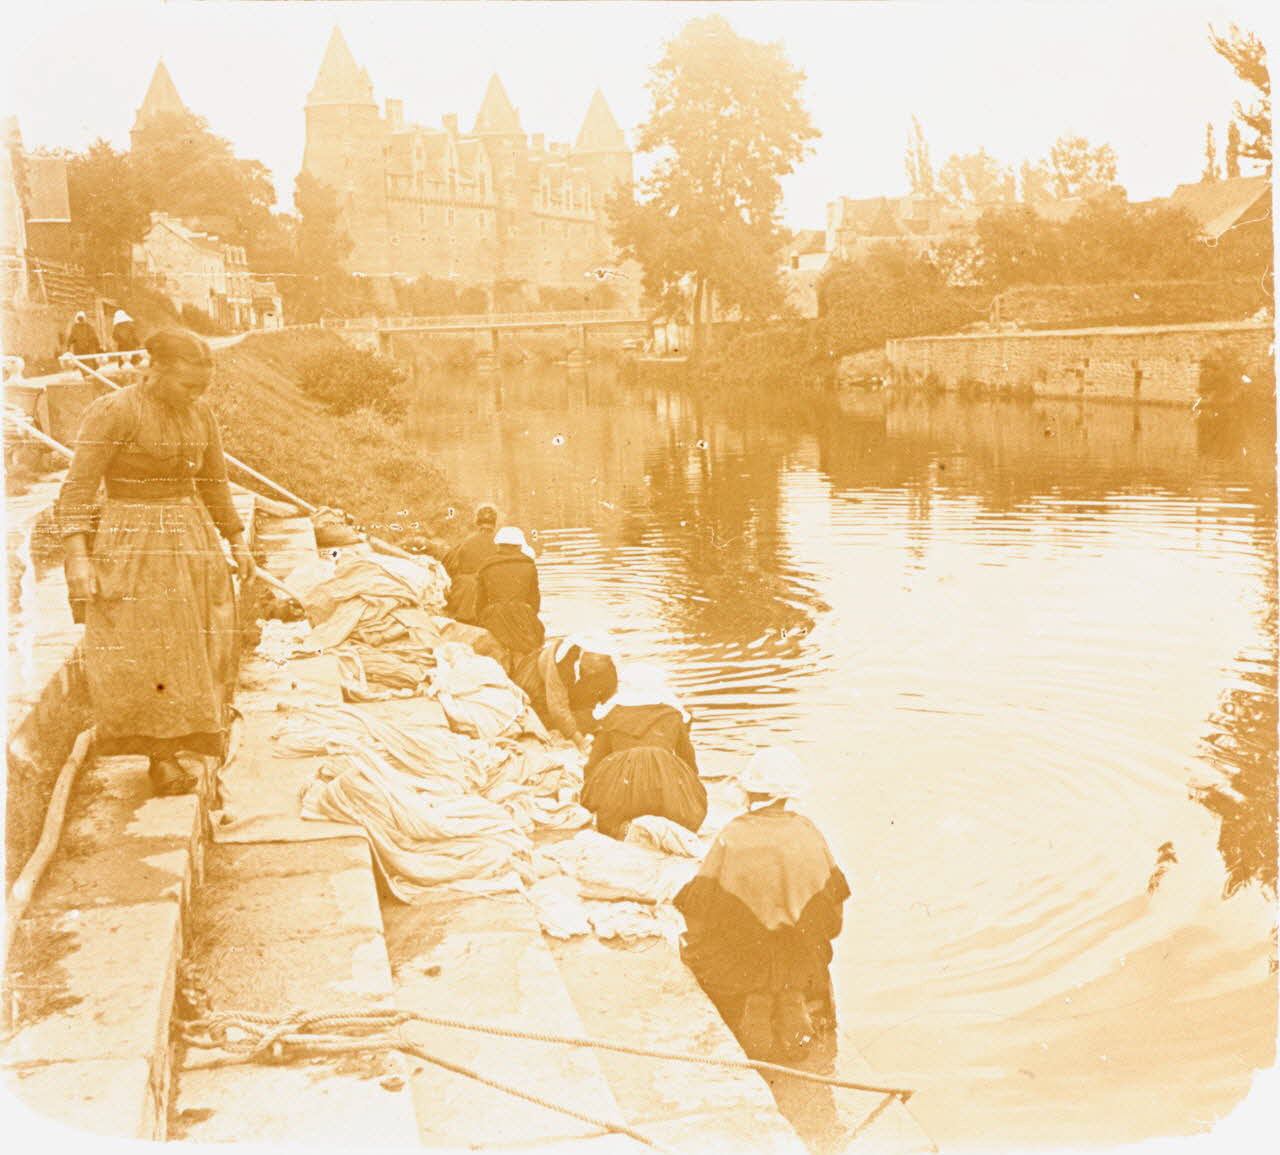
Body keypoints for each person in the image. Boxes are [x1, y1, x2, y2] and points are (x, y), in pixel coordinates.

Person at [56, 329, 256, 797]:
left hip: (190, 535)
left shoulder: (200, 413)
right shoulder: (114, 412)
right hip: (134, 538)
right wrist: (77, 559)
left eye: (201, 388)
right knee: (152, 647)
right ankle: (159, 758)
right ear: (156, 370)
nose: (195, 396)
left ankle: (192, 735)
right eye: (187, 385)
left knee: (201, 638)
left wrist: (237, 541)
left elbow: (215, 481)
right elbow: (78, 489)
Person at [674, 747, 850, 1062]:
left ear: (750, 792)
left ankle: (758, 997)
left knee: (711, 942)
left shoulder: (734, 833)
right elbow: (833, 916)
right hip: (800, 956)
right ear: (789, 794)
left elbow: (698, 905)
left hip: (744, 956)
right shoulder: (809, 831)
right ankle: (789, 995)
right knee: (792, 950)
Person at [580, 663, 706, 837]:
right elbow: (688, 760)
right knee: (681, 821)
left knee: (612, 826)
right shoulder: (672, 714)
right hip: (664, 788)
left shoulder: (612, 715)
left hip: (622, 789)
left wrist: (592, 795)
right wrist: (691, 790)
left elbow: (595, 761)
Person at [511, 634, 619, 751]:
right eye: (589, 667)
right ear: (582, 655)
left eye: (596, 670)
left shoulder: (609, 671)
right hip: (537, 687)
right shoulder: (561, 661)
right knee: (538, 720)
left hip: (572, 689)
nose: (592, 671)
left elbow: (609, 703)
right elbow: (558, 707)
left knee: (590, 719)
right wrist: (580, 742)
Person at [474, 525, 544, 660]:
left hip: (493, 615)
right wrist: (529, 618)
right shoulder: (529, 565)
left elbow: (479, 602)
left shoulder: (486, 566)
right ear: (519, 545)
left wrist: (481, 621)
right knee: (532, 649)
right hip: (522, 615)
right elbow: (535, 601)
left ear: (499, 545)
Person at [442, 503, 500, 623]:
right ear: (495, 523)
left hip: (467, 605)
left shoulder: (465, 543)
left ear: (477, 522)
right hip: (494, 601)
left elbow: (446, 568)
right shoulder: (503, 544)